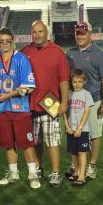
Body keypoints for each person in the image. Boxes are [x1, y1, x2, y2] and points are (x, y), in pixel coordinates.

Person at [21, 20, 70, 187]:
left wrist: (64, 103)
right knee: (35, 142)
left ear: (46, 33)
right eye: (34, 32)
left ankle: (56, 172)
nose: (37, 35)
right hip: (29, 105)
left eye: (40, 31)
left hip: (51, 106)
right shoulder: (24, 51)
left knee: (52, 141)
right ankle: (38, 167)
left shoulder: (57, 52)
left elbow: (64, 80)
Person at [0, 28, 40, 189]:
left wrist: (7, 96)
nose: (4, 43)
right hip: (3, 109)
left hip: (20, 109)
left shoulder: (21, 59)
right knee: (8, 143)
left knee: (26, 143)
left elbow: (28, 87)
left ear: (13, 41)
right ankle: (14, 173)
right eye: (1, 40)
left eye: (7, 40)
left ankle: (33, 174)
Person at [66, 21, 103, 179]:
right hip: (74, 102)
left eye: (83, 33)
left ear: (90, 34)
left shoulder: (99, 54)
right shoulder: (70, 53)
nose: (79, 36)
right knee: (74, 131)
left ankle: (92, 165)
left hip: (93, 101)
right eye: (77, 33)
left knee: (94, 133)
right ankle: (76, 165)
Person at [63, 69, 94, 186]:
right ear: (71, 81)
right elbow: (64, 112)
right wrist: (67, 126)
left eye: (80, 81)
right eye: (74, 81)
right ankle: (76, 172)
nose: (77, 84)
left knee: (82, 152)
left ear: (84, 82)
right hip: (70, 129)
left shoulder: (86, 94)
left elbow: (87, 112)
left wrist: (80, 127)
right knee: (73, 152)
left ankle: (82, 176)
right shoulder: (68, 94)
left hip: (83, 130)